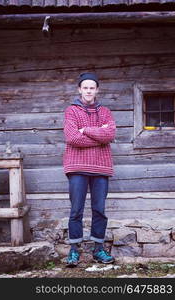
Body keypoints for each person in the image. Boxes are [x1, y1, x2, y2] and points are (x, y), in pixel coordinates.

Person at [63, 72, 116, 267]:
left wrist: (85, 130)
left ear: (97, 90)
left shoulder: (105, 112)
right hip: (77, 167)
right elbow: (72, 138)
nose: (88, 91)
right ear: (79, 89)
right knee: (76, 210)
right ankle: (74, 250)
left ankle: (98, 249)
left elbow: (109, 134)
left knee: (99, 210)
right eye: (85, 87)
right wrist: (98, 135)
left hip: (101, 168)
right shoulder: (71, 111)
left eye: (92, 87)